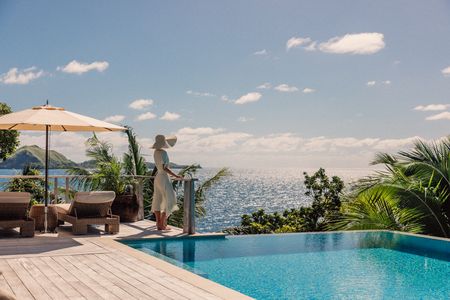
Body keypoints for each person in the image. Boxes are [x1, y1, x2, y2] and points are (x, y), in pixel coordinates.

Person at [151, 134, 182, 230]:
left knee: (158, 199)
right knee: (170, 199)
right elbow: (165, 168)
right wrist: (176, 176)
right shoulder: (163, 153)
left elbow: (160, 167)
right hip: (164, 177)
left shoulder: (155, 152)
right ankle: (162, 223)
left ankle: (158, 223)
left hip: (158, 178)